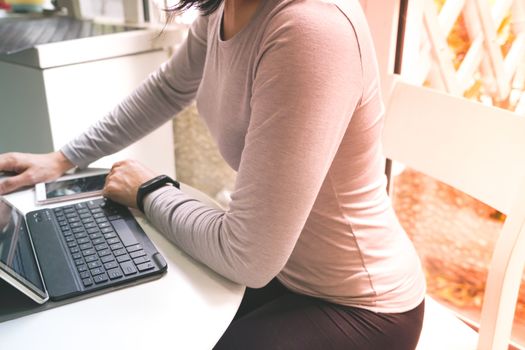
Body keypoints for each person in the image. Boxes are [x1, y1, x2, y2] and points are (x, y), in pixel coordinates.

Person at [0, 0, 426, 348]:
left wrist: (150, 191)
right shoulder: (223, 9)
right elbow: (168, 88)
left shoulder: (312, 31)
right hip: (284, 269)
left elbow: (248, 256)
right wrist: (62, 158)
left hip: (362, 304)